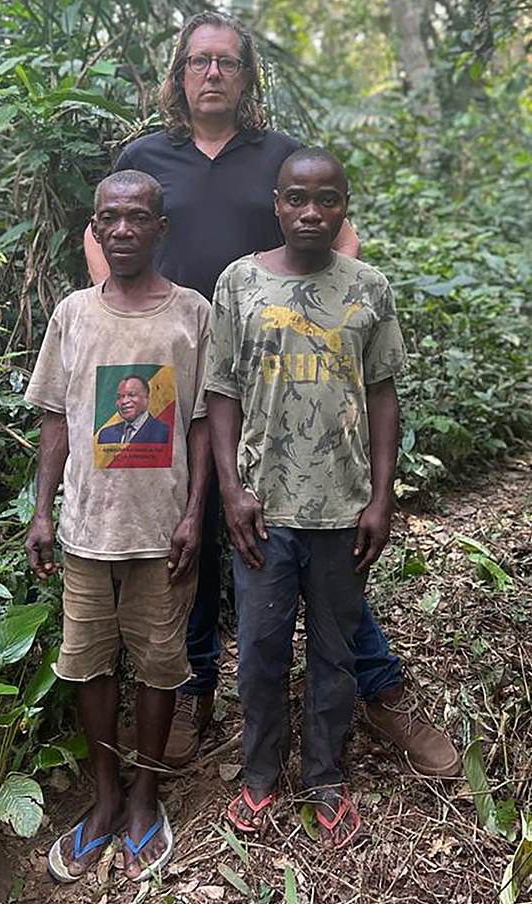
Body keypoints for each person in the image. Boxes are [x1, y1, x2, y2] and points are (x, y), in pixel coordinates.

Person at [84, 11, 460, 779]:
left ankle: (377, 690)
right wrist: (129, 318)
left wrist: (318, 324)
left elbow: (339, 244)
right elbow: (105, 233)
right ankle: (192, 689)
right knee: (187, 534)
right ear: (179, 74)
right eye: (199, 62)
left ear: (248, 76)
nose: (212, 74)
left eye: (227, 62)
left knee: (318, 533)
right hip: (165, 378)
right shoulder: (146, 155)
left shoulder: (282, 157)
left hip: (277, 378)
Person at [207, 147, 404, 845]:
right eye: (297, 198)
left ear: (345, 205)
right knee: (259, 649)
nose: (312, 212)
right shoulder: (238, 284)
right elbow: (221, 391)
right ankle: (259, 774)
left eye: (327, 199)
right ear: (277, 203)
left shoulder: (369, 286)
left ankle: (325, 774)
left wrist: (381, 497)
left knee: (335, 651)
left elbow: (382, 393)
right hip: (263, 510)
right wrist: (231, 488)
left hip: (342, 510)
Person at [25, 170, 211, 883]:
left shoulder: (190, 314)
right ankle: (103, 801)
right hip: (85, 533)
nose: (125, 229)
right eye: (112, 218)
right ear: (96, 230)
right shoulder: (73, 313)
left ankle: (144, 797)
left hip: (163, 534)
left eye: (139, 218)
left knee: (161, 666)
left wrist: (195, 515)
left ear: (161, 229)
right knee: (87, 663)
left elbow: (200, 421)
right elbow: (55, 422)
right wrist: (42, 512)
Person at [98, 375, 170, 444]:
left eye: (131, 395)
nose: (124, 401)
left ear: (146, 398)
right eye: (119, 397)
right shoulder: (105, 435)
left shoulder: (164, 433)